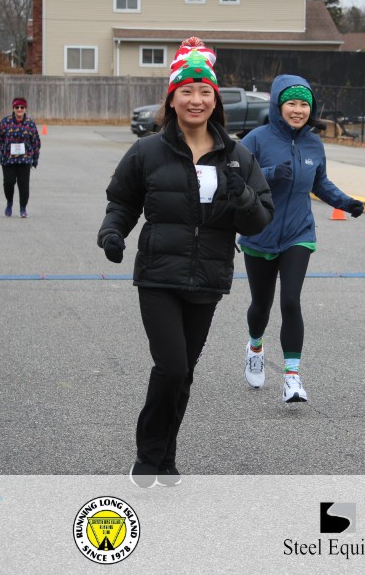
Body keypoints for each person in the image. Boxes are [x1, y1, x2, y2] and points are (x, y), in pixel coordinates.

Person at [96, 37, 273, 488]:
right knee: (171, 367)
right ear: (172, 99)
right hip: (158, 275)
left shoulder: (237, 157)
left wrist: (243, 195)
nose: (196, 100)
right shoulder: (147, 152)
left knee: (185, 374)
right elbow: (122, 201)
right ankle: (147, 455)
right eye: (187, 91)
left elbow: (258, 221)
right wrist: (113, 232)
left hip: (208, 278)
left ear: (215, 101)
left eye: (205, 92)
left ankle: (167, 457)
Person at [238, 75, 364, 403]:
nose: (298, 110)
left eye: (304, 104)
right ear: (278, 106)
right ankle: (255, 347)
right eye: (291, 103)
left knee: (291, 301)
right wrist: (268, 174)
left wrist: (346, 202)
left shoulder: (313, 144)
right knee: (261, 306)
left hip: (299, 234)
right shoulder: (256, 139)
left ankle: (292, 378)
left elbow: (320, 183)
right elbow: (234, 178)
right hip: (259, 233)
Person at [0, 97, 41, 218]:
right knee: (8, 182)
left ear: (25, 109)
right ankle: (9, 203)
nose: (19, 109)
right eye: (17, 107)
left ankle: (23, 208)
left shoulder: (30, 123)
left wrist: (35, 157)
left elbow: (35, 141)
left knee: (24, 185)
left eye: (22, 107)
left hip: (24, 159)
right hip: (8, 159)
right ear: (13, 108)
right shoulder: (6, 122)